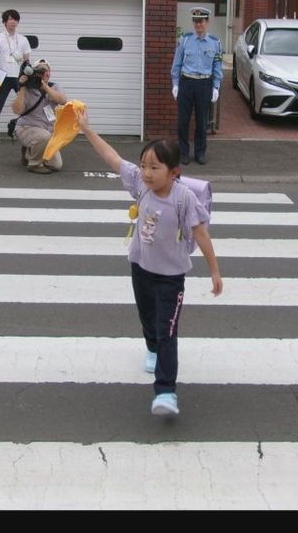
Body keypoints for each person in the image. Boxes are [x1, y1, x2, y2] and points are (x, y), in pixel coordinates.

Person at [75, 107, 223, 416]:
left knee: (167, 330)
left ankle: (165, 392)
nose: (146, 172)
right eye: (144, 165)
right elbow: (113, 159)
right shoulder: (141, 186)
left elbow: (201, 233)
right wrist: (87, 130)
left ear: (173, 172)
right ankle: (151, 348)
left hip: (171, 276)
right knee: (147, 318)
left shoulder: (184, 198)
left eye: (154, 167)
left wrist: (214, 271)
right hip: (140, 266)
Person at [170, 7, 223, 165]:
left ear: (207, 22)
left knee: (201, 122)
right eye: (195, 21)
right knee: (183, 122)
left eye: (201, 21)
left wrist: (215, 86)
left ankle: (200, 153)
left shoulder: (215, 43)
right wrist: (176, 84)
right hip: (187, 83)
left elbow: (217, 66)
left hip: (204, 84)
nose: (198, 24)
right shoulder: (185, 40)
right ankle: (184, 153)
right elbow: (177, 64)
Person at [10, 59, 67, 174]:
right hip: (27, 127)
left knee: (56, 165)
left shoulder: (54, 86)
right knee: (43, 136)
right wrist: (22, 87)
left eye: (47, 70)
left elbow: (62, 101)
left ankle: (29, 151)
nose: (45, 73)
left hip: (47, 131)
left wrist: (44, 86)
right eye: (41, 70)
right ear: (35, 73)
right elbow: (17, 110)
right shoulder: (28, 88)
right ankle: (34, 164)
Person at [0, 9, 32, 145]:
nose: (13, 22)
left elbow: (27, 61)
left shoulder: (23, 39)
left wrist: (27, 77)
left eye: (15, 19)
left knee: (26, 105)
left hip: (19, 78)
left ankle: (27, 132)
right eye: (10, 19)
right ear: (4, 22)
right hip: (3, 77)